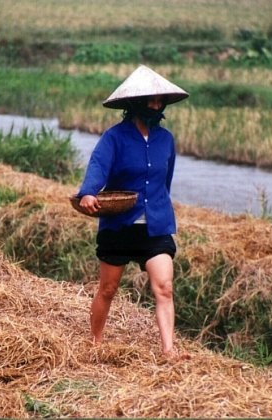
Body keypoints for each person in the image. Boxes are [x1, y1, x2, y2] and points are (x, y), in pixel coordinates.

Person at [76, 65, 189, 358]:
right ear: (134, 103)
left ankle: (169, 351)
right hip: (120, 225)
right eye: (150, 100)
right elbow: (98, 167)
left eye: (159, 101)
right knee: (108, 289)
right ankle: (94, 343)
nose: (155, 105)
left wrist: (158, 207)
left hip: (155, 227)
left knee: (164, 287)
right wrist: (88, 192)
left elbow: (166, 180)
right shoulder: (114, 138)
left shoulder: (166, 140)